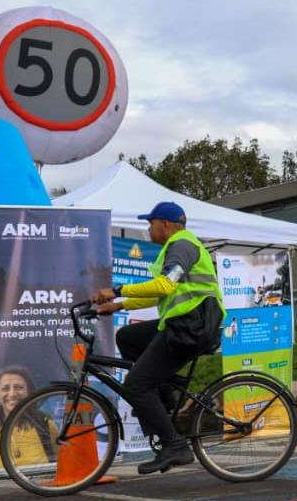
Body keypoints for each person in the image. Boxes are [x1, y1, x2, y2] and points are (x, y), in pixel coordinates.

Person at [91, 201, 225, 475]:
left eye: (150, 224)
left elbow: (164, 285)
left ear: (165, 224)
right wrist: (119, 306)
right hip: (182, 324)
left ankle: (174, 445)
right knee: (128, 337)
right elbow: (160, 293)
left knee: (136, 385)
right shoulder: (174, 247)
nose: (148, 229)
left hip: (191, 328)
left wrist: (117, 291)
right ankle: (164, 396)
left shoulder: (183, 245)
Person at [0, 367, 57, 469]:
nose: (12, 394)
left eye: (19, 387)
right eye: (5, 388)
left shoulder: (46, 425)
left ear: (29, 393)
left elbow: (60, 464)